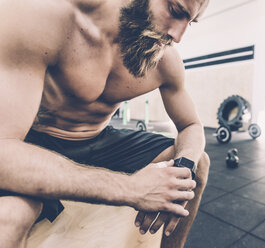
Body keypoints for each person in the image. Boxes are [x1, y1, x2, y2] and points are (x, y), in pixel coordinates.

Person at [0, 0, 210, 247]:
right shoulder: (48, 17)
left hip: (100, 141)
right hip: (36, 141)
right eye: (175, 11)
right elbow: (4, 151)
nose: (177, 36)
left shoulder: (165, 60)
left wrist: (181, 174)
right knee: (10, 215)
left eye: (190, 22)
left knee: (195, 168)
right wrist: (131, 188)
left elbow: (191, 126)